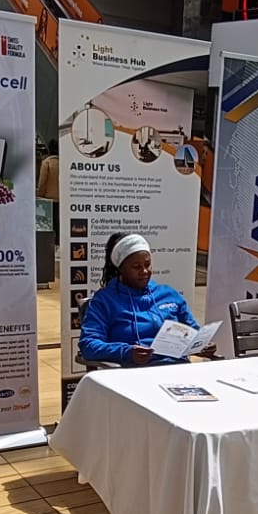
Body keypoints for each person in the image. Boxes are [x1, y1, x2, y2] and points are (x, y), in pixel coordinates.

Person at [79, 232, 214, 366]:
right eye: (136, 267)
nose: (144, 271)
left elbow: (194, 332)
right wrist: (126, 352)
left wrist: (202, 345)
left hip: (178, 368)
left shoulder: (169, 294)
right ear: (121, 269)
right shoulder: (104, 301)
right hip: (135, 372)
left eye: (147, 264)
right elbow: (88, 345)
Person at [37, 138, 60, 242]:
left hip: (49, 201)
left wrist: (39, 196)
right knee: (59, 225)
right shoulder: (63, 163)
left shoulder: (47, 163)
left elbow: (42, 182)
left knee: (48, 226)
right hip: (62, 200)